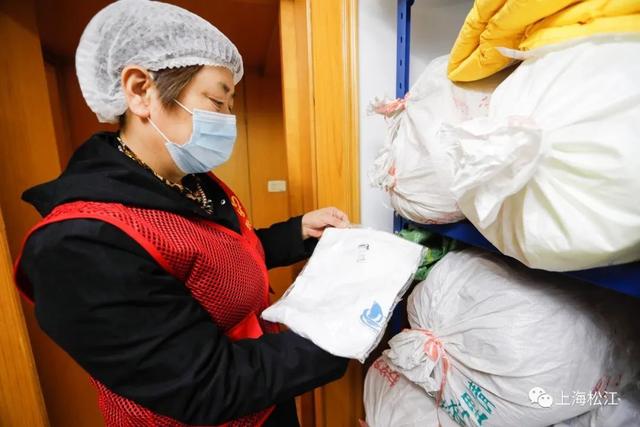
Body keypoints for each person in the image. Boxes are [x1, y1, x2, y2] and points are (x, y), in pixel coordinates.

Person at [14, 0, 351, 425]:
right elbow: (206, 385)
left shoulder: (190, 181)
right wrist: (343, 332)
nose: (229, 119)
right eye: (217, 100)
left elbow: (218, 259)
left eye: (230, 104)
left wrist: (297, 231)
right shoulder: (80, 245)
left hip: (264, 396)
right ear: (141, 90)